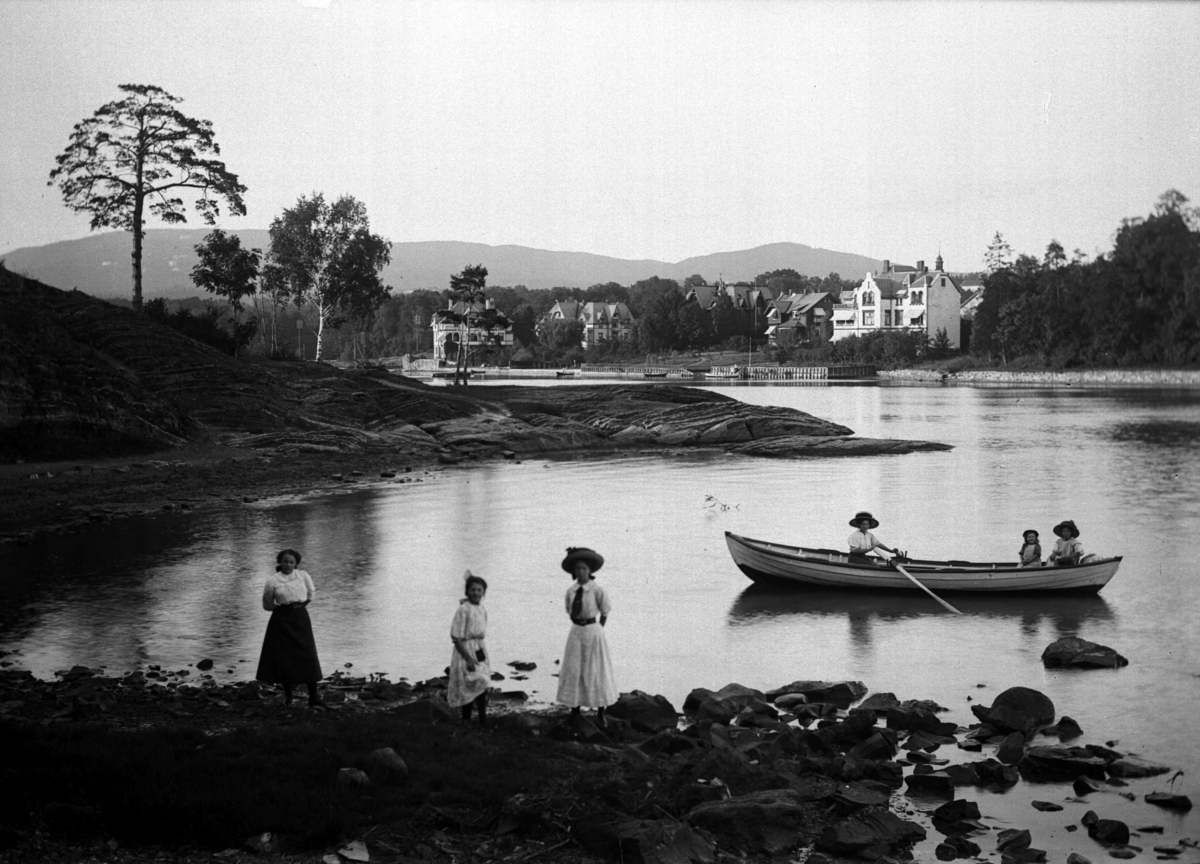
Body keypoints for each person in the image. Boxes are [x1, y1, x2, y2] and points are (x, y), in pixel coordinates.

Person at [556, 547, 618, 729]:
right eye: (578, 569)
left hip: (593, 631)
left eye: (584, 568)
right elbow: (569, 610)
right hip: (576, 631)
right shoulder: (572, 591)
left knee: (596, 670)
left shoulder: (597, 590)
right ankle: (574, 711)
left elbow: (605, 610)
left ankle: (601, 713)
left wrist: (597, 628)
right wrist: (579, 623)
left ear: (590, 570)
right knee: (575, 668)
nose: (581, 572)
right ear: (574, 572)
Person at [256, 549, 326, 708]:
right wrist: (283, 611)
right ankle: (288, 695)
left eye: (291, 562)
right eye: (285, 561)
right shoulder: (272, 581)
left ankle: (313, 696)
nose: (288, 565)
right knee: (284, 656)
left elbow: (310, 594)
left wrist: (300, 606)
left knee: (307, 654)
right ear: (280, 562)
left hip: (300, 618)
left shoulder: (302, 576)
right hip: (281, 620)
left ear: (296, 564)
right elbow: (267, 604)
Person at [448, 570, 491, 727]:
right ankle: (466, 720)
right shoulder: (463, 610)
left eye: (479, 590)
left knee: (482, 683)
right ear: (467, 591)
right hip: (465, 650)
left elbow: (481, 631)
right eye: (473, 589)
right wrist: (467, 657)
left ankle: (482, 719)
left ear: (483, 592)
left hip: (479, 649)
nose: (476, 593)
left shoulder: (482, 609)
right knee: (470, 684)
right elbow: (456, 637)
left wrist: (479, 653)